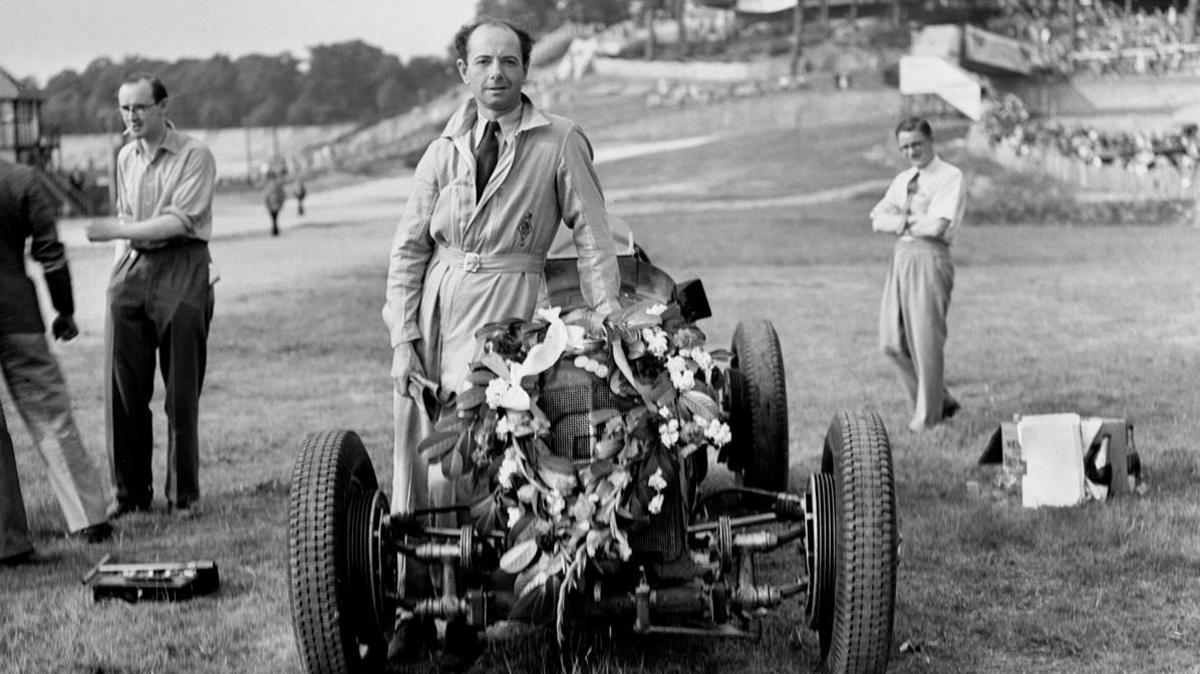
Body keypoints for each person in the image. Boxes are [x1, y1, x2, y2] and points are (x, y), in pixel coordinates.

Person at [382, 19, 620, 518]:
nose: (497, 73)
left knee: (498, 429)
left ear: (527, 70)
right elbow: (408, 251)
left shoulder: (560, 141)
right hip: (436, 312)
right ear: (464, 71)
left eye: (510, 61)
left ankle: (495, 565)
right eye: (485, 62)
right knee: (431, 436)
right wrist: (403, 340)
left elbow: (593, 237)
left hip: (508, 306)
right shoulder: (441, 152)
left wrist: (607, 313)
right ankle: (428, 564)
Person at [85, 73, 217, 517]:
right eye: (125, 109)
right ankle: (130, 495)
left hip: (182, 261)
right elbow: (129, 215)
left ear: (163, 107)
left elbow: (179, 222)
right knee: (124, 389)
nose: (132, 117)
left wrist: (115, 232)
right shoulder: (125, 157)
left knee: (180, 390)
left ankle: (183, 497)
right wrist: (120, 266)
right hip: (134, 266)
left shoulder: (195, 154)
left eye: (140, 107)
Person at [0, 157, 113, 562]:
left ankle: (8, 542)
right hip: (18, 314)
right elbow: (50, 252)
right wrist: (63, 310)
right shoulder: (21, 179)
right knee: (51, 416)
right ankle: (88, 518)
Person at [870, 117, 966, 433]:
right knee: (891, 342)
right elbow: (877, 218)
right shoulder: (903, 179)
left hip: (930, 256)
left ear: (930, 141)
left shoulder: (949, 177)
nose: (912, 151)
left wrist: (901, 220)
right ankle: (941, 401)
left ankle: (927, 419)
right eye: (905, 147)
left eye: (917, 144)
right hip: (902, 257)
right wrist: (910, 221)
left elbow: (938, 226)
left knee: (925, 341)